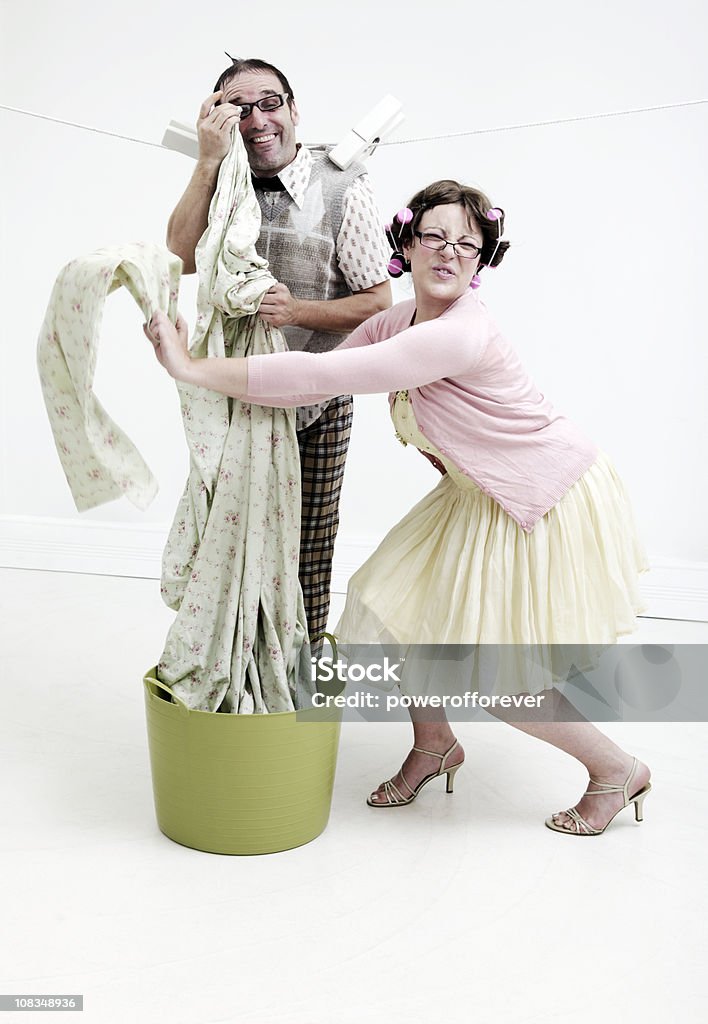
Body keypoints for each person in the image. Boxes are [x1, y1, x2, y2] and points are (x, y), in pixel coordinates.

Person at [149, 179, 652, 836]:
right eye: (435, 236)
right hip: (478, 493)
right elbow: (313, 390)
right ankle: (434, 745)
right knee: (397, 607)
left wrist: (189, 368)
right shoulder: (396, 320)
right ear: (406, 244)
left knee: (491, 674)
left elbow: (322, 377)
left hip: (542, 492)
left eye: (468, 244)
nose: (450, 252)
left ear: (481, 260)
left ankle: (617, 770)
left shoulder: (459, 333)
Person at [166, 56, 391, 643]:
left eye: (269, 103)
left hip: (317, 397)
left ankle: (298, 681)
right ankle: (238, 669)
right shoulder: (220, 179)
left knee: (306, 547)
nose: (256, 119)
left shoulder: (343, 187)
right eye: (237, 109)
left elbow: (376, 302)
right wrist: (207, 162)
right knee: (230, 541)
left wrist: (297, 313)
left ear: (294, 111)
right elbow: (181, 257)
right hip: (235, 397)